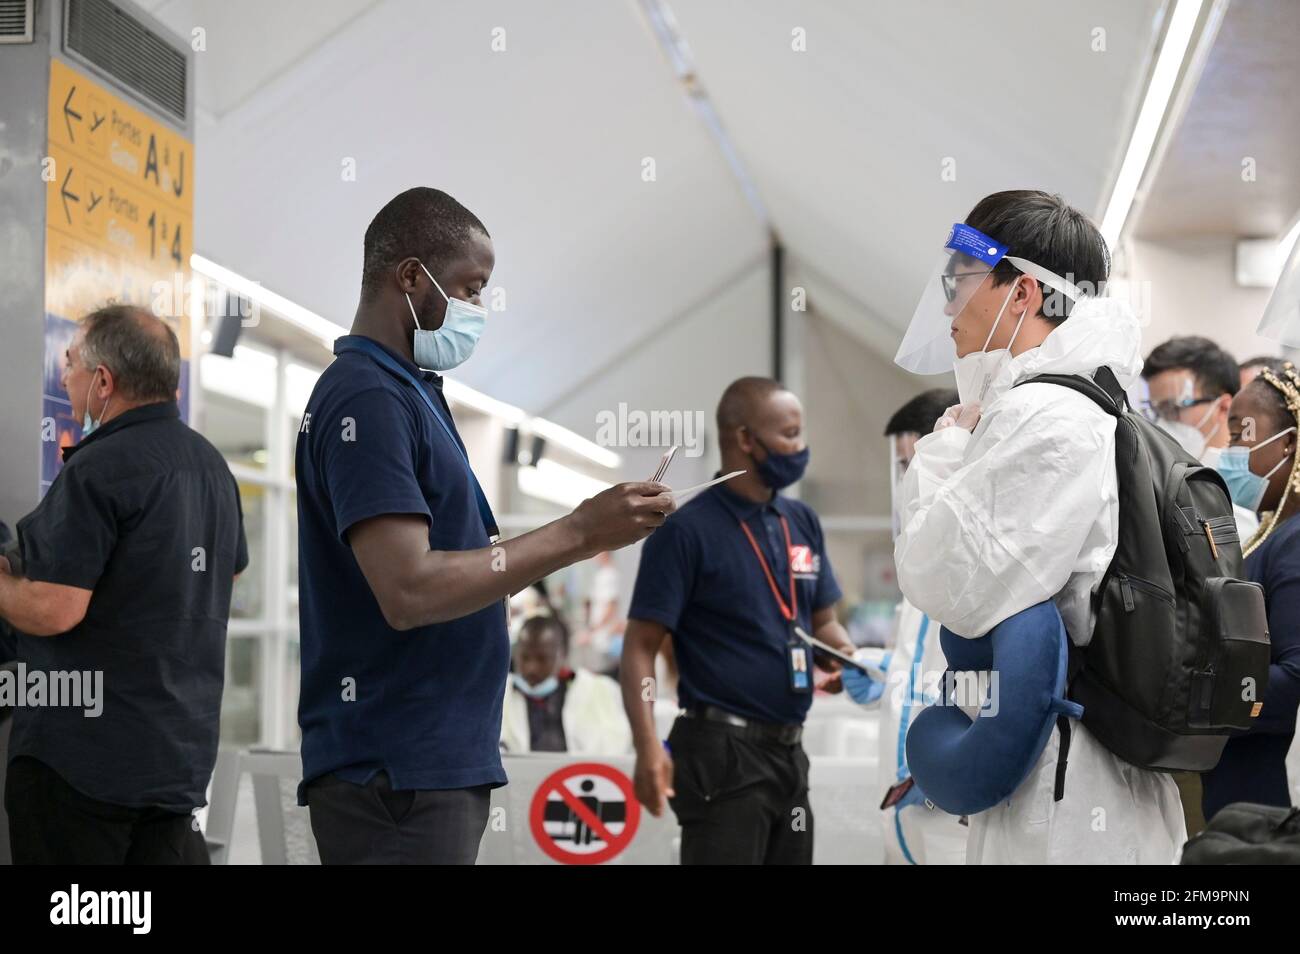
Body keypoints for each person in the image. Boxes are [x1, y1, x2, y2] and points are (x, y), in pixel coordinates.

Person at [295, 187, 675, 865]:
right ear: (410, 276)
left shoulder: (413, 395)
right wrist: (582, 531)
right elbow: (408, 589)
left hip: (431, 762)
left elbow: (463, 567)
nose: (477, 311)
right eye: (470, 290)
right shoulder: (367, 397)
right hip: (393, 773)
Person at [891, 190, 1186, 864]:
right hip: (1075, 770)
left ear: (1022, 292)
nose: (946, 308)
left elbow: (941, 580)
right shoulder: (1086, 402)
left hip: (1070, 794)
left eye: (959, 284)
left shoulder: (1047, 416)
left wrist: (942, 451)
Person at [0, 305, 248, 865]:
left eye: (71, 365)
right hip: (176, 760)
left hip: (85, 768)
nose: (64, 379)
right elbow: (227, 570)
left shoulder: (98, 468)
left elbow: (53, 609)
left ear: (104, 381)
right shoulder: (212, 468)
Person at [620, 376, 855, 865]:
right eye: (790, 434)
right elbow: (641, 645)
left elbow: (823, 622)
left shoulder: (801, 521)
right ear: (746, 439)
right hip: (720, 756)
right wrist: (647, 747)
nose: (801, 446)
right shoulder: (685, 531)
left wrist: (844, 657)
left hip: (789, 751)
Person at [842, 387, 967, 864]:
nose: (904, 481)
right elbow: (920, 665)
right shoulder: (920, 558)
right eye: (898, 467)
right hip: (905, 814)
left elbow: (989, 689)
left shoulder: (979, 560)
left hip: (955, 811)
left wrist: (946, 774)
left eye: (908, 464)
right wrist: (878, 670)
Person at [1201, 363, 1300, 819]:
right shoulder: (1269, 530)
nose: (1231, 450)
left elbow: (1292, 679)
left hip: (1258, 792)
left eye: (1243, 434)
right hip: (1233, 779)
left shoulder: (1295, 540)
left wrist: (1198, 694)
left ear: (1290, 445)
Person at [1140, 336, 1258, 541]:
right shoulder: (1159, 480)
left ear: (1223, 407)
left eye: (1174, 408)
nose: (1161, 424)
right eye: (1156, 411)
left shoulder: (1247, 485)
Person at [500, 615, 631, 756]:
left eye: (542, 658)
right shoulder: (499, 694)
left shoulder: (598, 691)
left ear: (563, 655)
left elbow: (615, 748)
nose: (531, 668)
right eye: (524, 657)